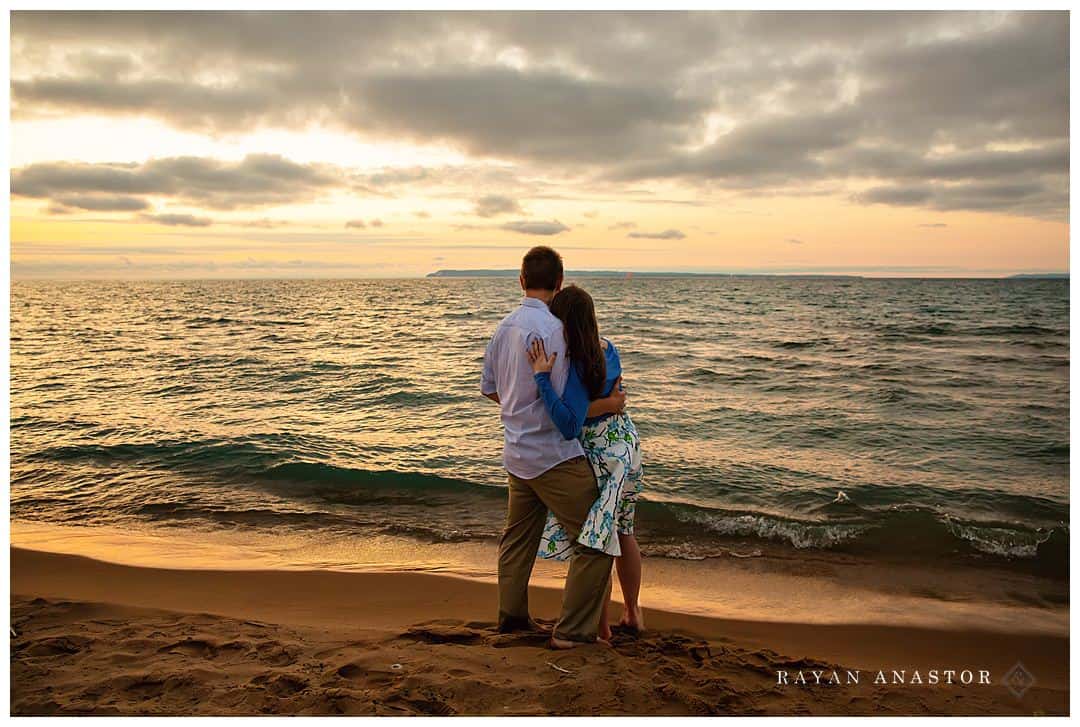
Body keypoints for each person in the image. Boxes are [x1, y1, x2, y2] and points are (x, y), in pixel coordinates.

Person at [480, 247, 627, 649]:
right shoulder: (560, 333)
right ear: (560, 282)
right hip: (554, 457)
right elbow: (571, 413)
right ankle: (574, 631)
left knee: (517, 540)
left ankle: (512, 620)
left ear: (521, 280)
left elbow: (490, 389)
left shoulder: (503, 328)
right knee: (596, 540)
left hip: (516, 453)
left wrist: (520, 412)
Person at [526, 285, 645, 640]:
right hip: (625, 444)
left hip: (598, 452)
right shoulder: (608, 348)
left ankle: (602, 626)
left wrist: (541, 378)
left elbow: (573, 421)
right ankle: (633, 612)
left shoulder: (574, 361)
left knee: (598, 536)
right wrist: (610, 404)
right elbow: (615, 398)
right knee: (623, 530)